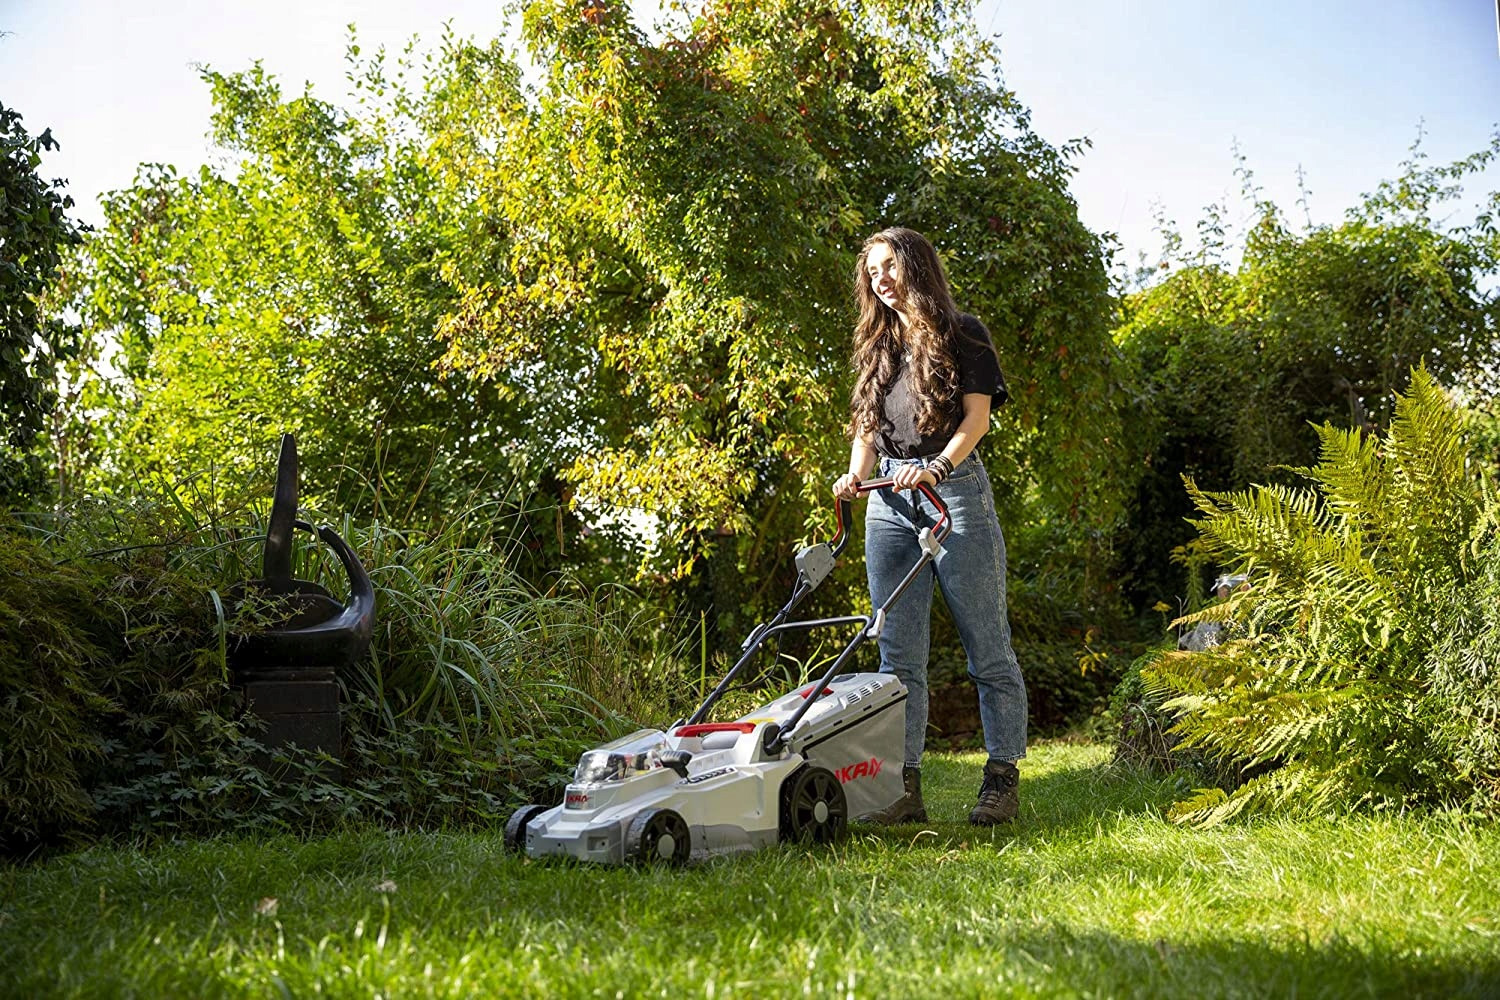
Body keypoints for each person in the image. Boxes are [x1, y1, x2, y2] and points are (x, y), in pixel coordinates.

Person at [832, 226, 1027, 826]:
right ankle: (902, 790)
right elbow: (868, 429)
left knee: (986, 645)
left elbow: (977, 419)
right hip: (888, 498)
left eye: (889, 265)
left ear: (915, 266)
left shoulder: (964, 332)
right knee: (897, 653)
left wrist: (939, 467)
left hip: (954, 493)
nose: (879, 278)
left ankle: (1000, 780)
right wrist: (852, 476)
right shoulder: (877, 343)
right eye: (872, 270)